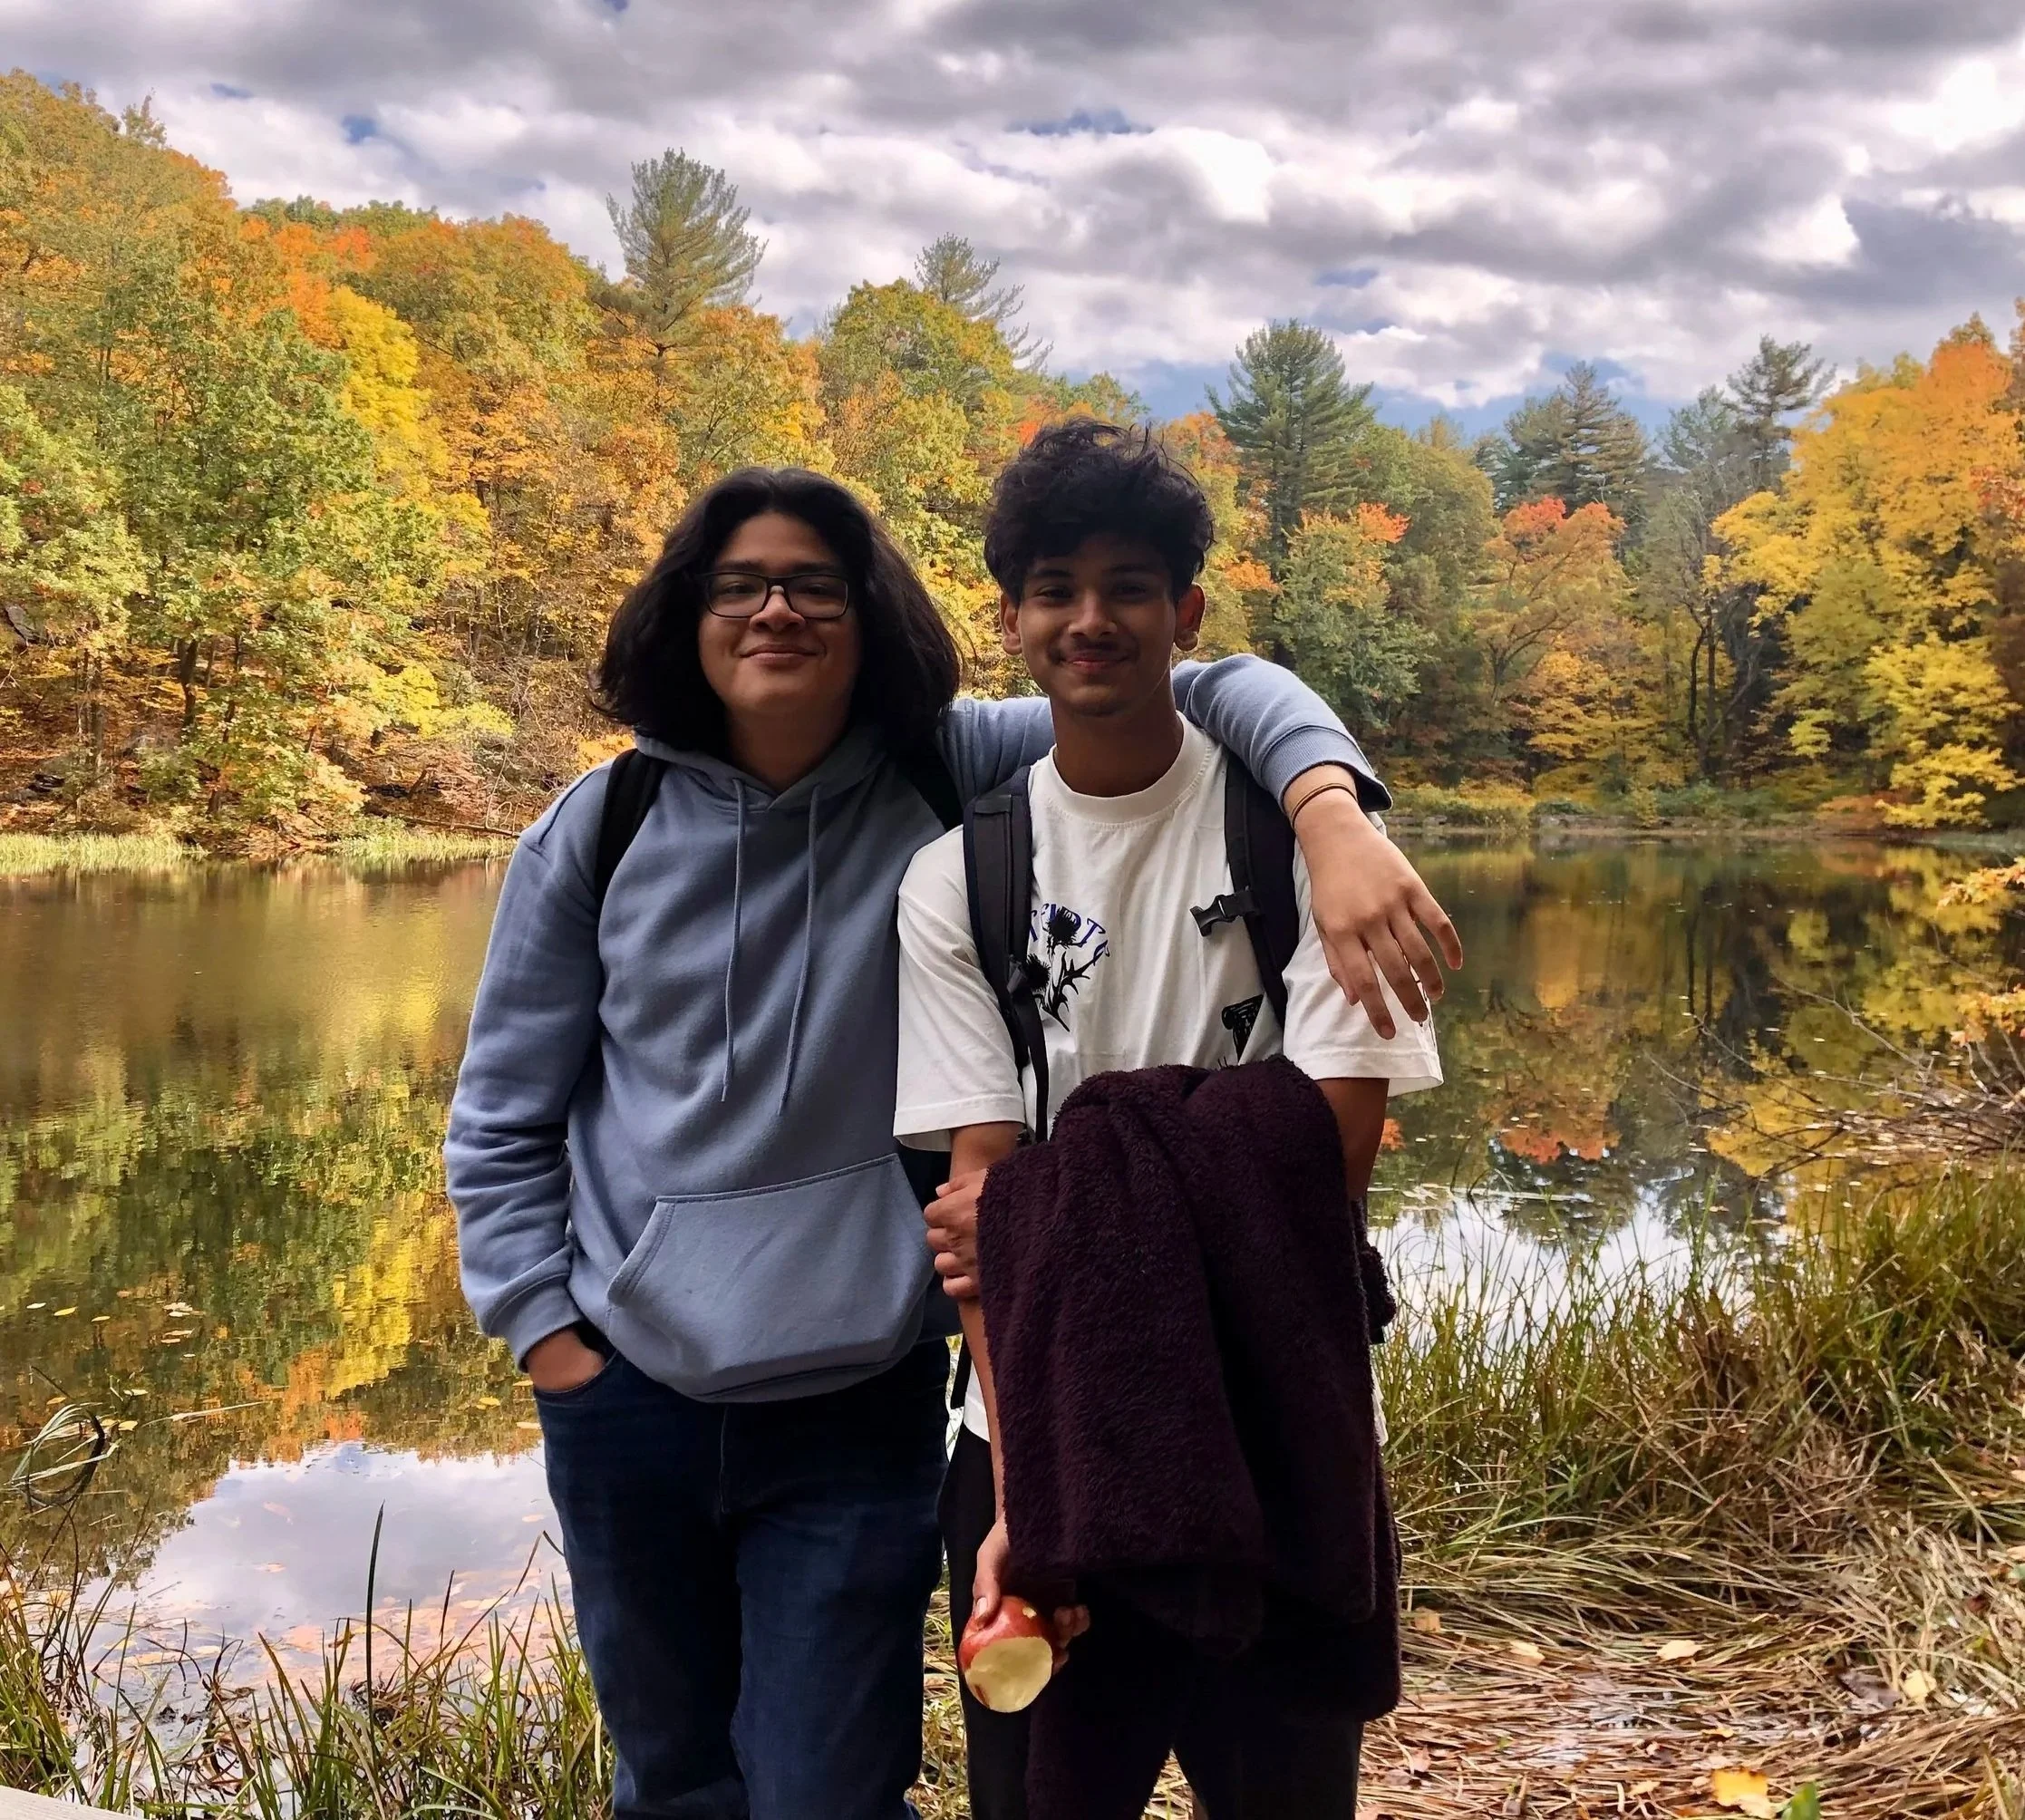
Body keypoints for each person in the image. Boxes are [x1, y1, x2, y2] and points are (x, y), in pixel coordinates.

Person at [446, 463, 1460, 1820]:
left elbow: (1203, 685)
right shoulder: (602, 823)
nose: (776, 613)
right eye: (738, 585)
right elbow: (504, 1105)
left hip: (856, 1394)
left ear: (871, 621)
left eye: (814, 586)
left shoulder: (942, 771)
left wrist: (1330, 808)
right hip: (633, 1390)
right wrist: (546, 1334)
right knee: (671, 1774)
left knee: (830, 1786)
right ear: (687, 615)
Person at [894, 421, 1442, 1818]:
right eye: (1056, 587)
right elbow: (972, 1207)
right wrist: (1025, 1488)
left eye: (1129, 585)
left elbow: (1325, 1164)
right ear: (1008, 618)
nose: (1092, 619)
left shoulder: (1312, 854)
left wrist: (1059, 1187)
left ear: (1184, 613)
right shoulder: (961, 877)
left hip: (1277, 1420)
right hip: (1034, 1439)